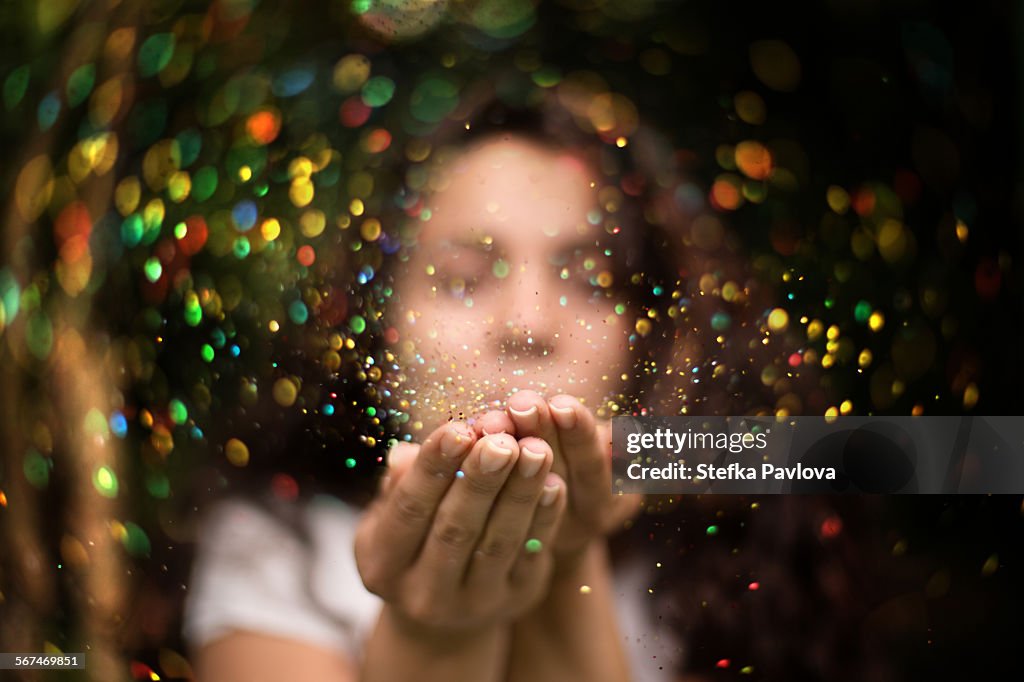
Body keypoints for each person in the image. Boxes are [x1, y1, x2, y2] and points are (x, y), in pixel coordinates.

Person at [183, 90, 722, 681]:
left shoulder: (744, 536)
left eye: (591, 279)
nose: (527, 325)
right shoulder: (278, 547)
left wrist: (567, 560)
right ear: (377, 339)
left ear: (657, 341)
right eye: (463, 279)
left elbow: (831, 456)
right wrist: (434, 633)